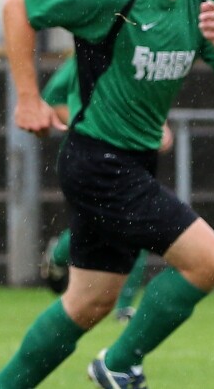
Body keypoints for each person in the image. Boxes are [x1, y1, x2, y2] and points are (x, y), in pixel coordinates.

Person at [0, 0, 214, 388]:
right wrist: (27, 98)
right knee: (208, 261)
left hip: (133, 161)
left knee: (88, 302)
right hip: (98, 161)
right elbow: (18, 8)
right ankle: (118, 364)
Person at [39, 56, 173, 322]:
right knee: (105, 227)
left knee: (135, 227)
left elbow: (148, 98)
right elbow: (52, 99)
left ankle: (123, 307)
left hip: (133, 158)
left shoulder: (142, 53)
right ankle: (60, 253)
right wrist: (92, 125)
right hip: (92, 161)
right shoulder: (92, 51)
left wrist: (160, 126)